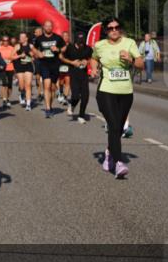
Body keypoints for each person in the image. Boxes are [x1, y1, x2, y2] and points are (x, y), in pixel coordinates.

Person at [91, 17, 143, 178]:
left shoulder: (129, 43)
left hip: (126, 91)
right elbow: (93, 58)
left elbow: (140, 64)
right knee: (113, 125)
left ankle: (109, 153)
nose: (114, 30)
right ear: (106, 30)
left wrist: (131, 60)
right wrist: (93, 69)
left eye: (117, 27)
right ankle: (119, 162)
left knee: (118, 128)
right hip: (106, 90)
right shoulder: (99, 45)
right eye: (110, 28)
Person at [31, 21, 66, 119]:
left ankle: (50, 105)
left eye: (50, 26)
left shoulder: (57, 38)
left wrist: (58, 50)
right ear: (44, 27)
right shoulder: (39, 38)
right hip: (44, 64)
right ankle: (47, 108)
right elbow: (33, 48)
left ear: (52, 27)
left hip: (55, 64)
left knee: (53, 87)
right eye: (47, 26)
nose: (49, 28)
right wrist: (38, 53)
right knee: (46, 85)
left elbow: (64, 47)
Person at [61, 31, 93, 123]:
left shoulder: (88, 49)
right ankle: (72, 104)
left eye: (82, 42)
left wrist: (87, 61)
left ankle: (81, 116)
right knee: (75, 96)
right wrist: (72, 62)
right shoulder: (70, 48)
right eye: (79, 42)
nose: (81, 44)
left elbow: (91, 58)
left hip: (84, 75)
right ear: (75, 41)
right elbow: (62, 57)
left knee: (85, 96)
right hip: (73, 74)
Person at [12, 31, 35, 110]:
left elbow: (36, 55)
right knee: (22, 86)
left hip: (28, 66)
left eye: (22, 37)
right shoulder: (17, 46)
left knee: (28, 85)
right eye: (20, 37)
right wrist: (19, 56)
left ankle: (28, 104)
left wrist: (33, 56)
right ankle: (22, 94)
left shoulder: (31, 46)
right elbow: (11, 57)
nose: (21, 38)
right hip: (20, 67)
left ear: (26, 38)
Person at [0, 35, 17, 108]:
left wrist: (11, 59)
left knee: (9, 85)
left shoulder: (12, 48)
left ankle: (7, 98)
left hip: (10, 68)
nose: (5, 42)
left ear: (9, 41)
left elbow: (15, 56)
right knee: (4, 83)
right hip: (2, 68)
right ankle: (4, 99)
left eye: (7, 40)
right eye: (4, 40)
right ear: (2, 41)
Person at [56, 31, 72, 105]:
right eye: (64, 36)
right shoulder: (59, 45)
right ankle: (61, 92)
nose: (66, 37)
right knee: (61, 81)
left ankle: (65, 98)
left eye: (67, 36)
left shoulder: (71, 46)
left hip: (69, 64)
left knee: (68, 81)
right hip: (60, 65)